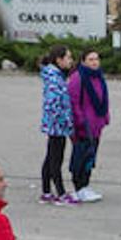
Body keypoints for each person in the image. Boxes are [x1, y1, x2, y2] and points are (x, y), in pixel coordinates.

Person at [65, 49, 109, 202]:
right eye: (91, 59)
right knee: (80, 156)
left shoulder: (99, 77)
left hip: (96, 125)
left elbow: (103, 98)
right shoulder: (78, 78)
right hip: (83, 126)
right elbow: (73, 101)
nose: (95, 62)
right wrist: (80, 120)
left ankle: (86, 185)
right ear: (83, 61)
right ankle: (78, 187)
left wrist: (105, 117)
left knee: (91, 157)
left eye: (96, 59)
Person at [38, 45, 75, 205]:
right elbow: (54, 103)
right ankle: (60, 192)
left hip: (56, 124)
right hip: (57, 125)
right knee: (56, 159)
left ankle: (46, 191)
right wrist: (65, 121)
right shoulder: (54, 77)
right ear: (59, 60)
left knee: (50, 157)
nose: (71, 61)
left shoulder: (56, 75)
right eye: (68, 57)